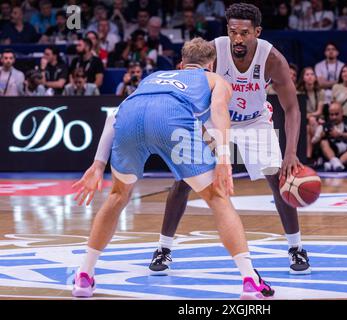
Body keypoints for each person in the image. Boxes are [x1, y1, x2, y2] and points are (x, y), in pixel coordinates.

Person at [71, 38, 275, 299]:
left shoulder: (155, 77)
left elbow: (115, 116)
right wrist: (224, 158)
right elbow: (219, 111)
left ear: (181, 64)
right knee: (217, 197)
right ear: (211, 65)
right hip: (171, 119)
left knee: (117, 196)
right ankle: (249, 279)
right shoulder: (216, 81)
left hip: (130, 118)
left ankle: (85, 275)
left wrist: (98, 165)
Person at [146, 3, 309, 276]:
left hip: (255, 120)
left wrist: (290, 152)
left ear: (257, 32)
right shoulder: (214, 52)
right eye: (233, 32)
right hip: (213, 120)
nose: (238, 39)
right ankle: (163, 248)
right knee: (183, 180)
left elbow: (292, 108)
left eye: (245, 33)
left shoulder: (272, 59)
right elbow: (186, 84)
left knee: (279, 179)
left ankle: (296, 246)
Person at [312, 102, 347, 171]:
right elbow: (313, 141)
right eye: (331, 115)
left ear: (342, 113)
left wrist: (341, 134)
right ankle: (335, 162)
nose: (334, 117)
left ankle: (334, 164)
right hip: (331, 153)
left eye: (336, 114)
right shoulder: (324, 125)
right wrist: (320, 136)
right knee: (323, 142)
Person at [297, 67, 325, 161]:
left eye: (312, 74)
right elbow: (298, 111)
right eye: (307, 74)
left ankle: (309, 157)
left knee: (310, 126)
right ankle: (312, 154)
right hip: (302, 120)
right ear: (303, 78)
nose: (310, 77)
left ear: (315, 77)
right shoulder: (298, 92)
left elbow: (319, 112)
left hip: (316, 120)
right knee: (308, 125)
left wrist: (310, 116)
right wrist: (309, 117)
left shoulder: (320, 92)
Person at [314, 42, 345, 107]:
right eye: (328, 49)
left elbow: (344, 83)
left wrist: (326, 83)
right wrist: (337, 81)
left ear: (337, 52)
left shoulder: (343, 66)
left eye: (333, 49)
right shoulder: (319, 66)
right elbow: (321, 84)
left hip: (340, 97)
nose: (331, 51)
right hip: (323, 98)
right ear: (325, 52)